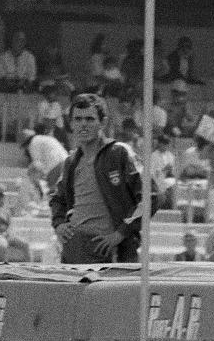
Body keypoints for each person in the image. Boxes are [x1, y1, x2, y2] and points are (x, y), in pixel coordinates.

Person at [49, 94, 147, 264]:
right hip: (74, 246)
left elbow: (150, 196)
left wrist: (120, 234)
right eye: (78, 119)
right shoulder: (71, 162)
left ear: (102, 122)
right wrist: (58, 224)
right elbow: (58, 199)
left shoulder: (119, 153)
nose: (83, 124)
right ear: (71, 123)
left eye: (90, 119)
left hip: (110, 249)